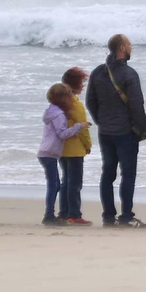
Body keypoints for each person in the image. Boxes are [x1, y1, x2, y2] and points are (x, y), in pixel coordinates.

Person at [86, 33, 146, 228]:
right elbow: (137, 106)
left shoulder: (98, 72)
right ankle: (125, 217)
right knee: (128, 174)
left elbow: (90, 102)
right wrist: (143, 128)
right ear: (121, 48)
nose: (131, 47)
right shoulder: (129, 74)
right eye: (129, 44)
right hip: (125, 132)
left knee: (108, 174)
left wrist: (101, 121)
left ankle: (108, 216)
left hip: (105, 132)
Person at [38, 83, 89, 226]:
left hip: (47, 152)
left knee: (55, 184)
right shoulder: (58, 114)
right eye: (69, 96)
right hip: (49, 153)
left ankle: (51, 214)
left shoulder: (51, 111)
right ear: (63, 98)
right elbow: (62, 134)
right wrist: (79, 126)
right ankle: (49, 215)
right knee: (54, 185)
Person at [57, 67, 94, 225]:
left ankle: (64, 213)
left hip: (61, 148)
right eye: (81, 82)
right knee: (75, 183)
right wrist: (88, 145)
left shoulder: (58, 103)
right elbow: (82, 128)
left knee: (66, 181)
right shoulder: (75, 105)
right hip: (75, 150)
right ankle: (74, 214)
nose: (83, 86)